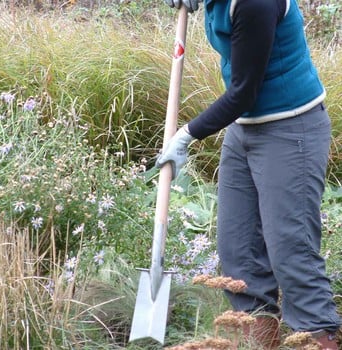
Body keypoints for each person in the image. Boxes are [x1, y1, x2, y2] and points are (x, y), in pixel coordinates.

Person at [157, 0, 341, 349]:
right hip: (244, 130)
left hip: (292, 127)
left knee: (292, 251)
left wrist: (186, 135)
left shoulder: (256, 3)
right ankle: (260, 343)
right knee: (238, 253)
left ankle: (321, 338)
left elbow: (244, 91)